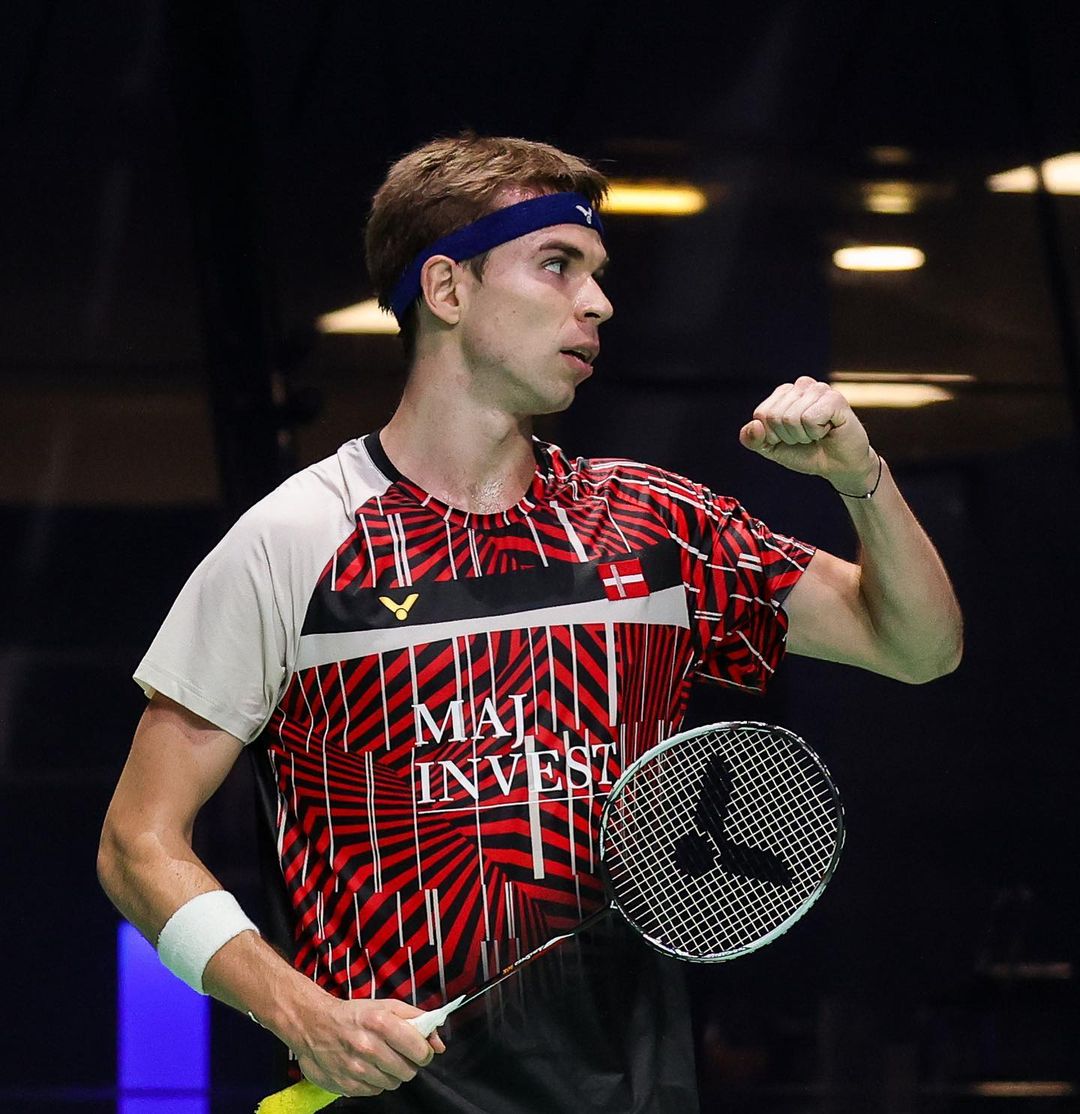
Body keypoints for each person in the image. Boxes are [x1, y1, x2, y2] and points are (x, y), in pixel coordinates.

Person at [97, 133, 962, 1113]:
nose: (597, 302)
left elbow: (918, 646)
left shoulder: (655, 526)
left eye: (597, 272)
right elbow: (137, 843)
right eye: (557, 264)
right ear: (447, 288)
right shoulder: (296, 540)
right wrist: (300, 1012)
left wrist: (861, 477)